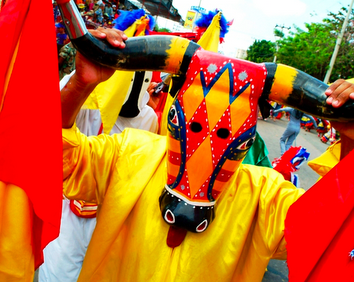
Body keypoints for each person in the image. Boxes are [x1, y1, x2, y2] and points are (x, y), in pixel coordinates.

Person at [59, 27, 354, 282]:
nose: (210, 137)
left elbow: (331, 231)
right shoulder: (130, 153)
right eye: (196, 123)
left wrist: (351, 138)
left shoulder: (266, 197)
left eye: (227, 132)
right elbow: (55, 159)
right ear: (177, 111)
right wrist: (80, 83)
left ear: (249, 129)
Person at [39, 68, 158, 282]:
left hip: (110, 217)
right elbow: (53, 124)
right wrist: (82, 85)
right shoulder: (87, 101)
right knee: (58, 273)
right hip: (68, 208)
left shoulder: (148, 117)